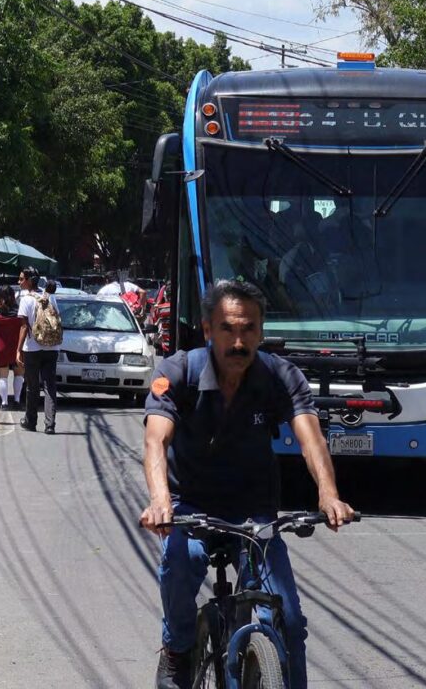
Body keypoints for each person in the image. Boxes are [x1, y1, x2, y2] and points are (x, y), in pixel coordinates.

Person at [139, 278, 356, 689]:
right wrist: (160, 501)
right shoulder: (178, 371)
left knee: (289, 621)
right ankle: (178, 650)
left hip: (254, 510)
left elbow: (311, 438)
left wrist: (329, 495)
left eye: (248, 329)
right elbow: (156, 440)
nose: (238, 341)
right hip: (189, 505)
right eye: (227, 329)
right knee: (181, 561)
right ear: (208, 330)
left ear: (260, 331)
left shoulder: (279, 376)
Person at [16, 267, 60, 433]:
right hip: (52, 347)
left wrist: (18, 350)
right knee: (50, 386)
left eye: (22, 279)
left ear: (29, 281)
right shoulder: (49, 297)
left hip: (32, 348)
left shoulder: (26, 299)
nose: (19, 282)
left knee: (32, 386)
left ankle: (30, 421)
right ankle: (50, 425)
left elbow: (23, 327)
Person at [0, 286, 26, 408]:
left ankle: (4, 403)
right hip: (17, 347)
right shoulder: (19, 313)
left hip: (1, 347)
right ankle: (17, 400)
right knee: (19, 374)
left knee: (2, 375)